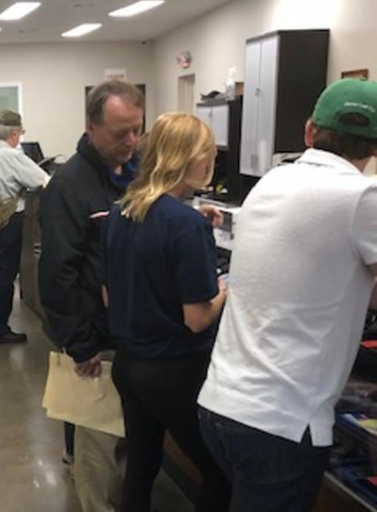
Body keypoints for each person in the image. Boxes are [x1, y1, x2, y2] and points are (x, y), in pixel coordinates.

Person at [198, 79, 377, 512]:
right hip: (280, 426)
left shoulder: (273, 180)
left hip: (220, 405)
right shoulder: (363, 197)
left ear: (309, 132)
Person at [104, 112, 231, 512]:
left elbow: (111, 295)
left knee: (142, 461)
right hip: (175, 370)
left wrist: (197, 224)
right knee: (219, 472)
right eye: (206, 155)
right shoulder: (184, 225)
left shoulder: (119, 213)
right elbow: (197, 318)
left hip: (130, 364)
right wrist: (229, 290)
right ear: (189, 158)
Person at [38, 80, 143, 512]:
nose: (131, 141)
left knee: (127, 445)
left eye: (137, 130)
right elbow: (57, 273)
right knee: (97, 449)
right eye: (120, 133)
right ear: (92, 127)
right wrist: (79, 344)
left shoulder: (135, 174)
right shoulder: (69, 186)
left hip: (133, 335)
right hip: (96, 342)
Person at [0, 109, 49, 344]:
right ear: (14, 132)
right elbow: (43, 181)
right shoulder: (11, 155)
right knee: (4, 277)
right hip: (7, 223)